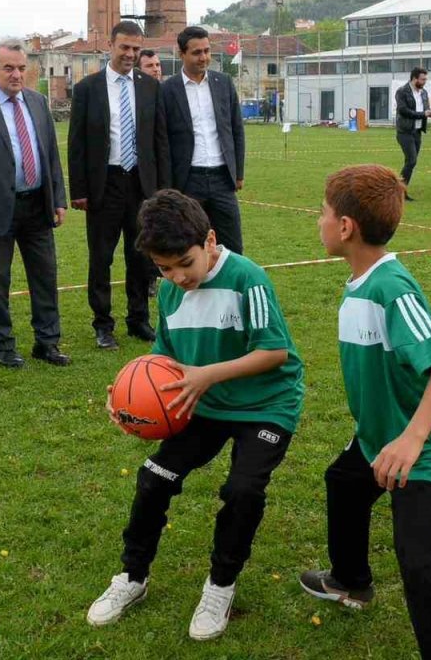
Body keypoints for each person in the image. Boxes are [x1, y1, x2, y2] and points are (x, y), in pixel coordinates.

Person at [87, 190, 304, 641]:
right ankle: (132, 577)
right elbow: (164, 356)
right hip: (203, 404)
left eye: (185, 263)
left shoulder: (248, 278)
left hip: (265, 405)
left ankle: (220, 585)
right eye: (165, 269)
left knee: (242, 490)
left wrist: (207, 375)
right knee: (153, 479)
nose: (178, 277)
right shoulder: (169, 293)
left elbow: (275, 352)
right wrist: (127, 397)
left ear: (209, 240)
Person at [299, 165, 431, 659]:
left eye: (323, 213)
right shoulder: (361, 282)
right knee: (343, 481)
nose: (318, 221)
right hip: (377, 441)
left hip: (423, 451)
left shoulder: (391, 288)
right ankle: (351, 582)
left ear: (345, 228)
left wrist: (412, 438)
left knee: (420, 566)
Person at [0, 38, 69, 368]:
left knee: (45, 277)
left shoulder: (37, 102)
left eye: (21, 68)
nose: (16, 74)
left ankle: (47, 342)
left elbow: (50, 155)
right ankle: (4, 345)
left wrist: (57, 198)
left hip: (37, 205)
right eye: (8, 68)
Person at [68, 21, 170, 350]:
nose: (130, 54)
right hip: (105, 183)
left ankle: (138, 319)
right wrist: (79, 190)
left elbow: (160, 142)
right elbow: (77, 143)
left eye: (135, 49)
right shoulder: (88, 88)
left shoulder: (151, 87)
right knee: (101, 257)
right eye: (124, 47)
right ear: (110, 46)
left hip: (142, 184)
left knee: (140, 256)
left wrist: (163, 190)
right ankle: (102, 324)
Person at [162, 26, 246, 252]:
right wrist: (169, 185)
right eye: (197, 52)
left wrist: (238, 173)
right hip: (188, 180)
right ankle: (192, 287)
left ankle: (231, 288)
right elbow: (162, 141)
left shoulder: (223, 83)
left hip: (222, 179)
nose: (204, 57)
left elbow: (236, 129)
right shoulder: (168, 90)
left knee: (232, 246)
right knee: (189, 244)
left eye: (207, 51)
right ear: (181, 54)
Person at [392, 67, 431, 200]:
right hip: (405, 131)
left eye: (425, 79)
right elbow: (403, 110)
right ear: (414, 78)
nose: (424, 82)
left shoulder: (424, 93)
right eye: (423, 79)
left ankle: (401, 191)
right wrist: (422, 114)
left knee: (411, 162)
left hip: (417, 131)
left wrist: (430, 112)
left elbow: (425, 108)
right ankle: (399, 191)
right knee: (411, 160)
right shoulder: (402, 91)